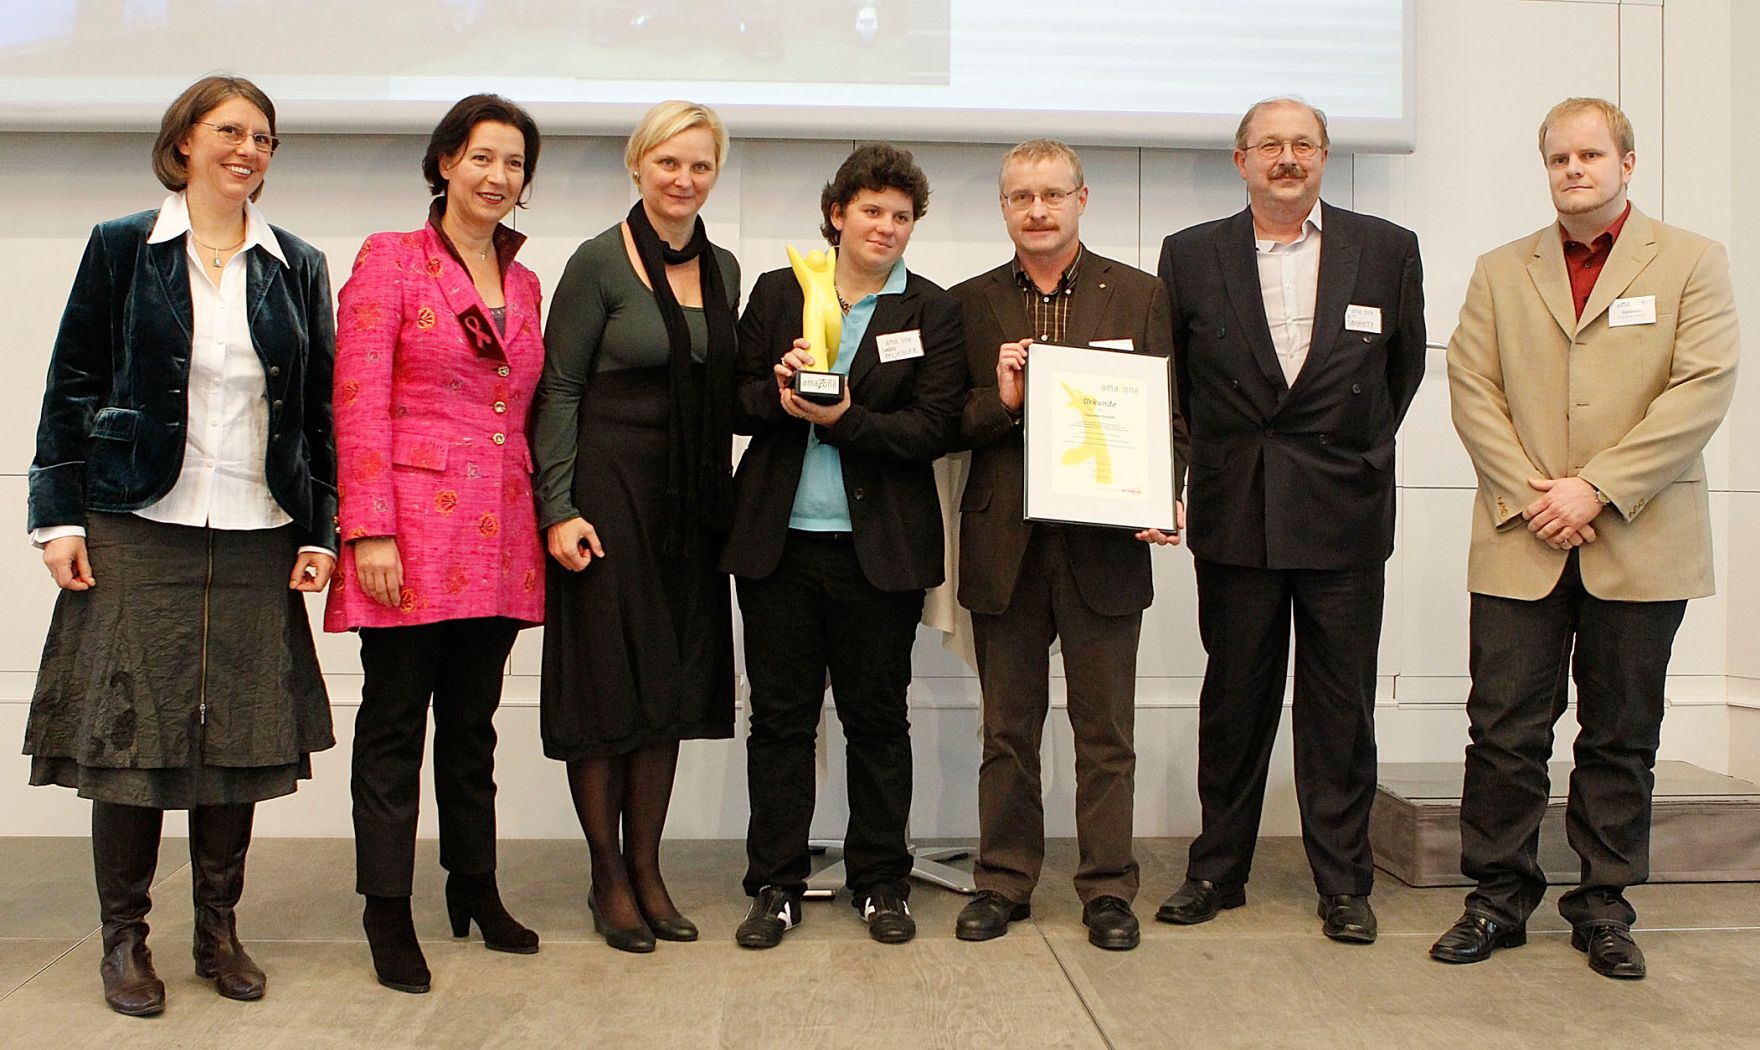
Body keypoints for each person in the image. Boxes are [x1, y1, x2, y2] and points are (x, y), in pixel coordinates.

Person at [24, 74, 337, 1016]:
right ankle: (124, 942)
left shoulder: (298, 263)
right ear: (186, 141)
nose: (250, 150)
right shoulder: (123, 247)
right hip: (135, 521)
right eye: (232, 131)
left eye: (265, 138)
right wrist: (60, 516)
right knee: (130, 737)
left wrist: (320, 529)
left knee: (235, 734)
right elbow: (70, 381)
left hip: (256, 525)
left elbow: (315, 414)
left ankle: (217, 930)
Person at [1432, 98, 1738, 980]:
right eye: (1559, 158)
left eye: (1591, 155)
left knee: (1620, 732)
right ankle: (1495, 900)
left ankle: (1603, 906)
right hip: (1521, 531)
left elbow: (1701, 390)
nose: (1574, 170)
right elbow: (1471, 386)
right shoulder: (1501, 269)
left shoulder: (1691, 262)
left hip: (1641, 536)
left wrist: (1596, 490)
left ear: (1628, 163)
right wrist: (1540, 496)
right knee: (1503, 730)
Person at [1155, 97, 1425, 943]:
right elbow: (1174, 383)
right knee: (1234, 700)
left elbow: (1403, 371)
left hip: (1344, 508)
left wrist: (1343, 449)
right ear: (1240, 160)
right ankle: (1216, 870)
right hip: (1236, 508)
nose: (1287, 158)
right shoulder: (1191, 254)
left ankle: (1344, 882)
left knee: (1339, 707)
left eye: (1302, 144)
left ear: (1325, 157)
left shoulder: (1386, 248)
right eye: (1269, 144)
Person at [327, 94, 546, 993]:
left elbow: (523, 410)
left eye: (515, 165)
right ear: (447, 161)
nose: (499, 178)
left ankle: (475, 888)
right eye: (484, 158)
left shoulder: (528, 281)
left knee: (472, 729)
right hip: (410, 533)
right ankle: (387, 910)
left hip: (499, 532)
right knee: (391, 728)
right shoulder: (391, 259)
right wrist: (367, 526)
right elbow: (356, 397)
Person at [725, 143, 966, 948]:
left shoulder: (930, 311)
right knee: (781, 724)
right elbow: (735, 401)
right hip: (778, 547)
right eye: (872, 211)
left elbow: (932, 428)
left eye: (902, 217)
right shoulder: (777, 290)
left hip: (880, 554)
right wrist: (782, 393)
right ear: (837, 213)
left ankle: (881, 883)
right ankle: (775, 884)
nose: (887, 228)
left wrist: (847, 420)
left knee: (876, 722)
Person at [948, 139, 1185, 951]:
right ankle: (1004, 880)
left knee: (1105, 730)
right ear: (1004, 207)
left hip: (1106, 545)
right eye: (1022, 197)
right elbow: (950, 422)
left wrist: (1165, 493)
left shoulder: (1143, 294)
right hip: (1004, 544)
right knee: (1007, 730)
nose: (1038, 210)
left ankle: (1108, 888)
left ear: (1083, 198)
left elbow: (1170, 418)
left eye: (1053, 194)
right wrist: (1003, 399)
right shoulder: (969, 303)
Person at [532, 101, 740, 954]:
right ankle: (606, 876)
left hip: (690, 502)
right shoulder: (596, 262)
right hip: (605, 495)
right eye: (668, 163)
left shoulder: (723, 264)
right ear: (637, 166)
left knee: (669, 686)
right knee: (607, 688)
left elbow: (726, 381)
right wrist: (558, 508)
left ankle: (648, 868)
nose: (683, 180)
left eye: (699, 166)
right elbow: (560, 390)